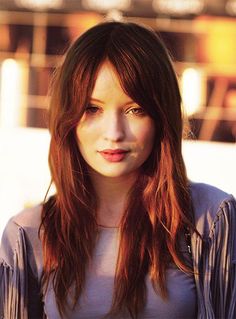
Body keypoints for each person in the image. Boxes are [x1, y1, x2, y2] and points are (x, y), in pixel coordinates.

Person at [0, 21, 236, 319]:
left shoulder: (209, 219)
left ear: (161, 117)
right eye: (92, 109)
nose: (113, 132)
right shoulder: (28, 234)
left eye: (135, 109)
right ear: (67, 117)